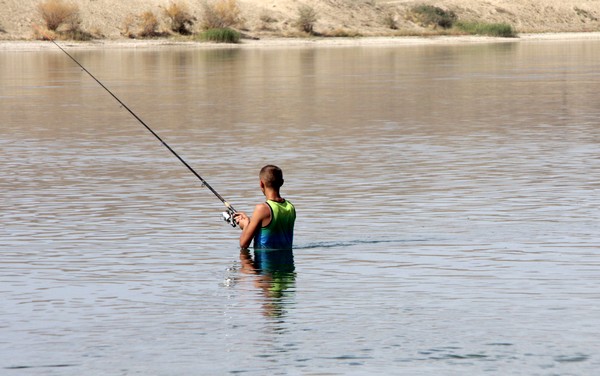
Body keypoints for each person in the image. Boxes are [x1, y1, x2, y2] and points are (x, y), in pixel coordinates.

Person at [234, 165, 296, 250]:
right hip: (287, 263)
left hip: (264, 262)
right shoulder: (290, 207)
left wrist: (246, 225)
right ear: (282, 182)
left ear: (261, 183)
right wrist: (248, 224)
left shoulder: (262, 209)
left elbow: (243, 244)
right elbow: (270, 228)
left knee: (243, 257)